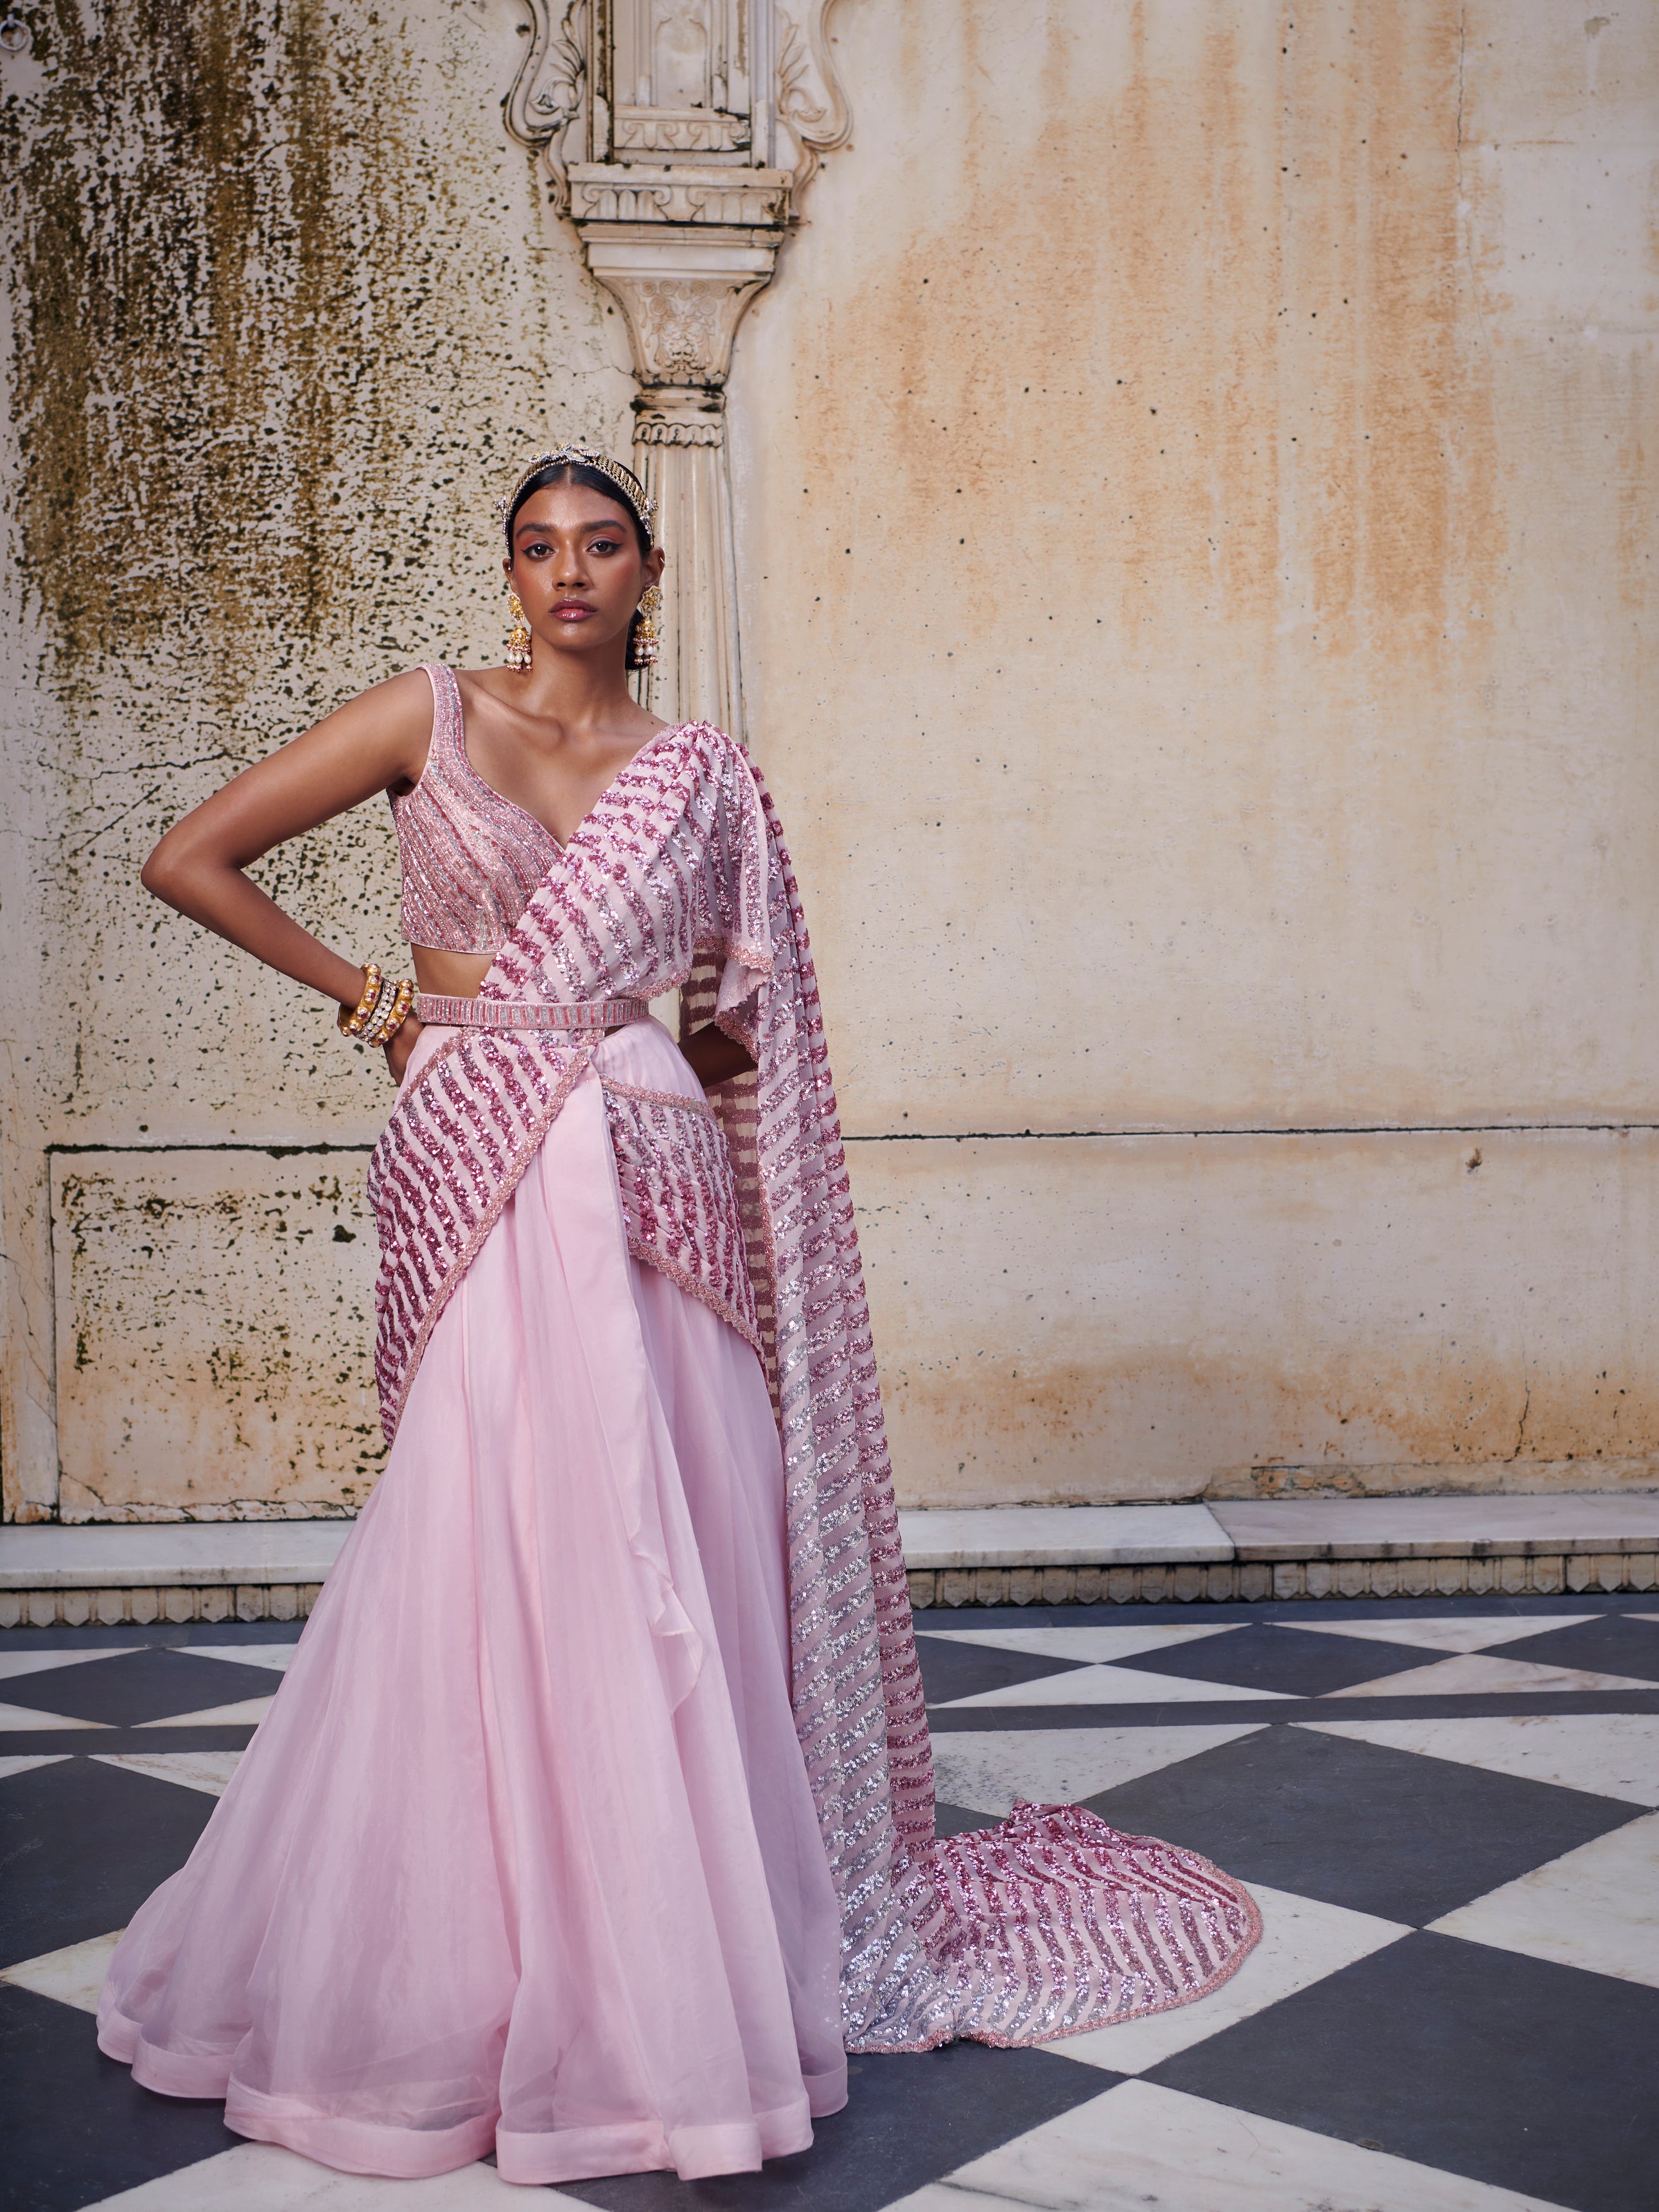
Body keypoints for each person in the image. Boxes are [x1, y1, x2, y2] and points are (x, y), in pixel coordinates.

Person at [97, 445, 1261, 2186]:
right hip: (480, 1149)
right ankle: (471, 1967)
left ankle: (664, 1981)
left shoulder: (700, 774)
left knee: (668, 1546)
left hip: (648, 1178)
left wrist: (716, 1100)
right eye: (540, 546)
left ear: (648, 574)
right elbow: (190, 855)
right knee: (491, 1536)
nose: (569, 573)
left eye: (603, 545)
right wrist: (381, 1009)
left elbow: (738, 1016)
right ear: (512, 572)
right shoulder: (427, 715)